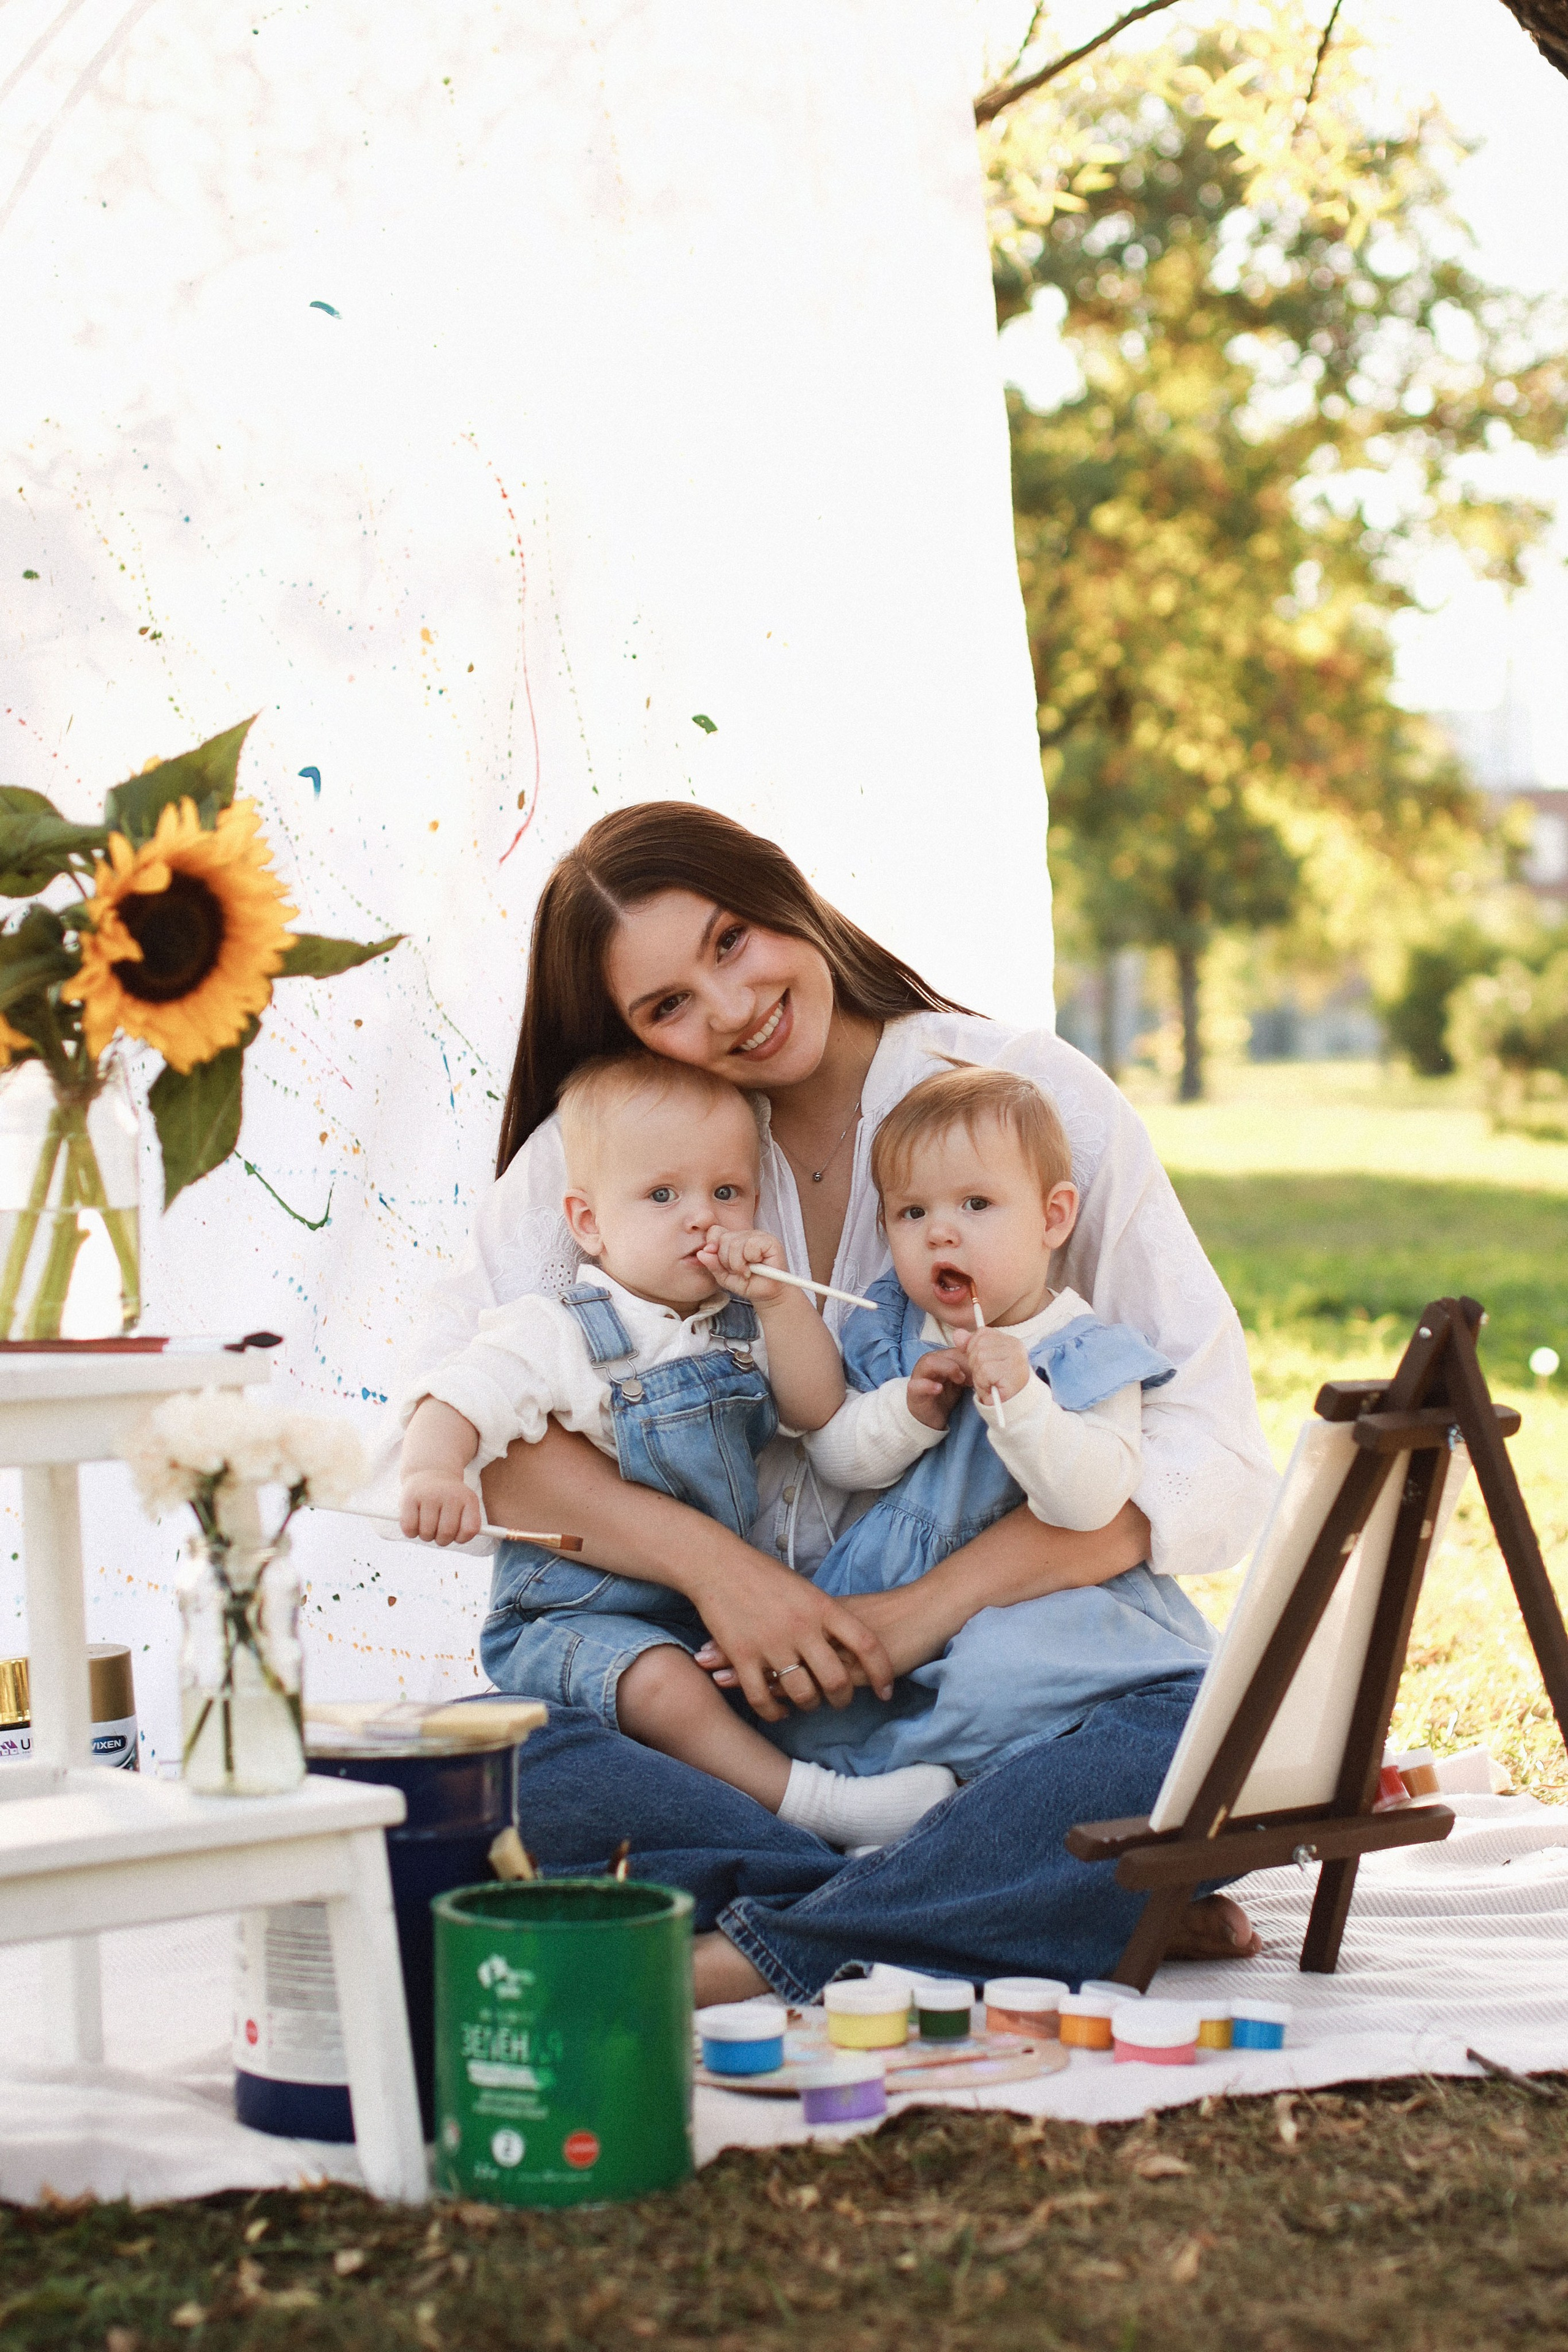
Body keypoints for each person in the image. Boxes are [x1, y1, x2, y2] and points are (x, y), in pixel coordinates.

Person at [402, 802, 1279, 1992]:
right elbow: (474, 1418)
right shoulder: (622, 1145)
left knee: (1183, 1746)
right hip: (752, 1717)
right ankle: (1028, 1896)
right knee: (497, 1756)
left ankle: (770, 1945)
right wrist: (725, 1575)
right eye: (665, 1004)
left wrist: (922, 1609)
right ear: (627, 1030)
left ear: (779, 889)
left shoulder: (1014, 1092)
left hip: (1007, 1696)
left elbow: (1208, 1452)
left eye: (727, 942)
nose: (728, 1008)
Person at [400, 1048, 956, 1849]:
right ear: (589, 1222)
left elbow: (815, 1406)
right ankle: (810, 1809)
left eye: (726, 1192)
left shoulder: (739, 1329)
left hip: (699, 1613)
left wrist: (780, 1302)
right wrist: (433, 1469)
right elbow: (458, 1395)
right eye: (663, 1195)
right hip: (570, 1615)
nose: (703, 1217)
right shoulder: (559, 1330)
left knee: (781, 1687)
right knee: (662, 1685)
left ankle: (762, 1822)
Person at [744, 1061, 1219, 1784]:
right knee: (818, 1702)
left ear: (1052, 1218)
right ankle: (900, 1800)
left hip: (1043, 1604)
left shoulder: (1083, 1351)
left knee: (1003, 1675)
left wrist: (1023, 1404)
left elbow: (1090, 1503)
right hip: (892, 1585)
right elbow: (835, 1457)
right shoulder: (894, 1335)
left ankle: (949, 1794)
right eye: (911, 1214)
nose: (941, 1234)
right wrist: (908, 1414)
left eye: (975, 1204)